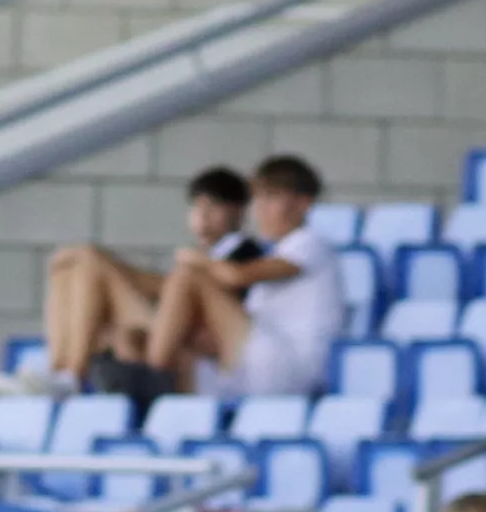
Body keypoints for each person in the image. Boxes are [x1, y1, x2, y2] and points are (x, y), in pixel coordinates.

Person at [25, 163, 254, 395]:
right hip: (168, 324)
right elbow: (163, 287)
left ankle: (72, 375)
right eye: (197, 207)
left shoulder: (245, 254)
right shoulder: (202, 256)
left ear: (237, 211)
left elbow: (214, 301)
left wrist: (99, 258)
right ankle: (58, 372)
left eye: (213, 207)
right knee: (68, 272)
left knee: (91, 262)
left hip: (186, 337)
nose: (202, 217)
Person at [145, 153, 341, 402]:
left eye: (270, 199)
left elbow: (236, 277)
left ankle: (152, 373)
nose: (260, 210)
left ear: (303, 204)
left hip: (290, 368)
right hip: (261, 362)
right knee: (181, 339)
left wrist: (199, 259)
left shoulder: (310, 243)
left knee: (187, 276)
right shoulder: (277, 251)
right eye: (258, 200)